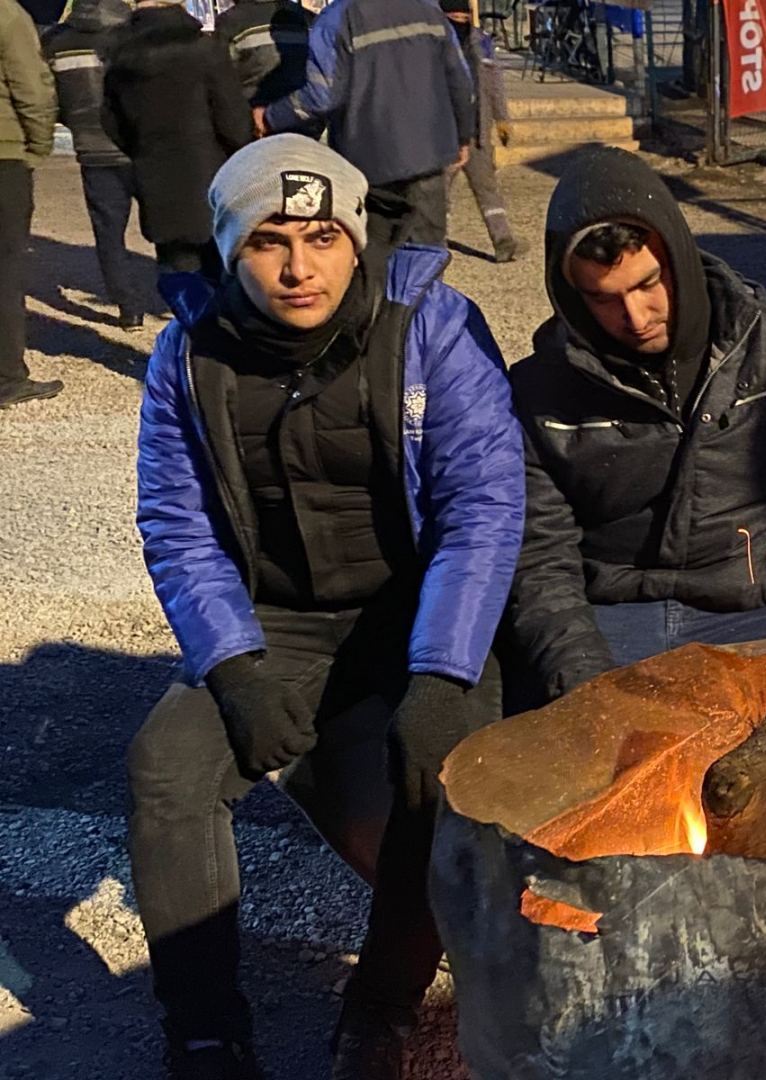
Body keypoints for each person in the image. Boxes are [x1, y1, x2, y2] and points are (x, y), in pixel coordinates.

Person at [128, 135, 524, 1080]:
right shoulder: (188, 356)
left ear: (356, 239)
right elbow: (175, 523)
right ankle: (205, 1033)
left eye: (320, 236)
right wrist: (232, 666)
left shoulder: (432, 326)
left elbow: (483, 505)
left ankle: (381, 1010)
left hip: (417, 609)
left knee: (444, 778)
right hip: (276, 618)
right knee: (165, 771)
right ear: (231, 250)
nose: (299, 266)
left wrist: (443, 675)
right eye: (269, 240)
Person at [503, 146, 766, 708]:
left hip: (758, 603)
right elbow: (538, 555)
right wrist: (581, 676)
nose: (637, 317)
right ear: (572, 295)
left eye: (649, 283)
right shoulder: (537, 389)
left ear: (680, 255)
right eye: (604, 298)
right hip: (607, 618)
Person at [258, 0, 475, 248]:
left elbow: (320, 96)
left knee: (374, 254)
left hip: (367, 159)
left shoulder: (336, 18)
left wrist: (271, 116)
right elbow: (461, 81)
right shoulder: (429, 10)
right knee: (426, 252)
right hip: (428, 151)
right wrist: (464, 135)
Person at [101, 0, 252, 281]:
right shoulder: (205, 49)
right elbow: (234, 121)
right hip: (212, 173)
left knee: (177, 270)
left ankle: (189, 318)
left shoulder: (121, 55)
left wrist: (142, 148)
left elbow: (110, 120)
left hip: (155, 174)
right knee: (223, 274)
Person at [43, 0, 150, 331]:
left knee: (108, 233)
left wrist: (76, 121)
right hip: (143, 146)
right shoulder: (137, 31)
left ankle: (128, 307)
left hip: (93, 148)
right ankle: (179, 298)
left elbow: (49, 97)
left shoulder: (55, 41)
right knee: (165, 227)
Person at [0, 0, 60, 409]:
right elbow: (31, 86)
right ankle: (7, 375)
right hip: (4, 156)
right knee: (5, 267)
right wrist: (38, 146)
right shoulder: (6, 13)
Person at [439, 0, 516, 263]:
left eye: (463, 12)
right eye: (454, 13)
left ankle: (504, 241)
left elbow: (495, 83)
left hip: (477, 133)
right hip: (444, 133)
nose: (460, 17)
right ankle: (436, 244)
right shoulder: (435, 42)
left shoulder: (480, 42)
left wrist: (502, 119)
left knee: (488, 191)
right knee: (440, 195)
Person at [214, 0, 313, 110]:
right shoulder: (308, 18)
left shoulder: (230, 22)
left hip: (254, 113)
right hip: (304, 113)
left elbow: (221, 78)